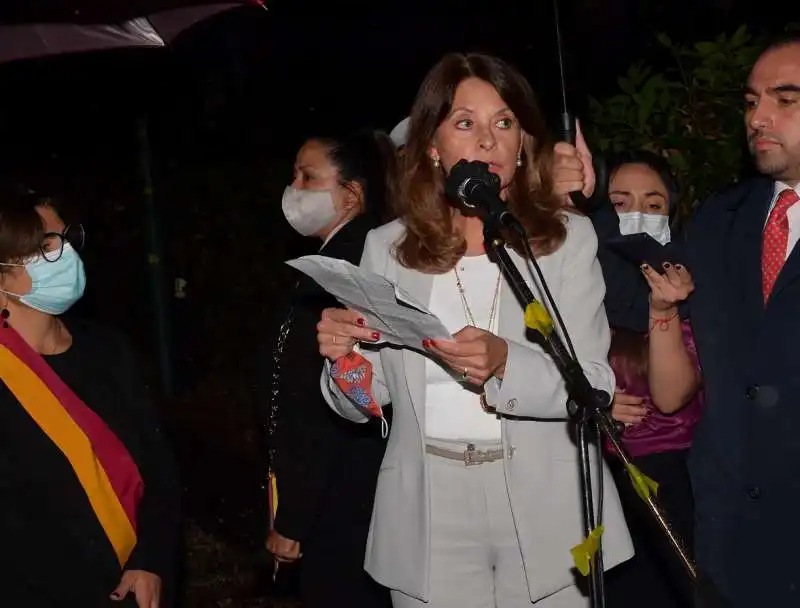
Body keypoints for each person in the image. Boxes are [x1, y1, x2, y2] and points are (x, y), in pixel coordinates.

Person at [315, 52, 633, 608]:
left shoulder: (566, 243)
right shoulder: (385, 250)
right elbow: (369, 397)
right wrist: (344, 361)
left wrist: (507, 362)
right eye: (465, 122)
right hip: (429, 509)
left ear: (522, 145)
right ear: (433, 146)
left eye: (504, 123)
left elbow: (597, 384)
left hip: (547, 507)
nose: (486, 140)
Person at [557, 38, 800, 607]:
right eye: (750, 101)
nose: (758, 117)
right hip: (728, 540)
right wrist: (573, 213)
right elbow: (624, 293)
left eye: (785, 99)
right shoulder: (722, 219)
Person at [0, 188, 181, 607]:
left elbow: (158, 469)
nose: (66, 256)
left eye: (66, 240)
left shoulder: (109, 350)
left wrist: (150, 559)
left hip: (132, 588)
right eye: (47, 246)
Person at [263, 129, 396, 608]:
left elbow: (323, 405)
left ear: (351, 193)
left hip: (341, 498)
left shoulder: (350, 266)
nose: (294, 187)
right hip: (341, 494)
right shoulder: (327, 260)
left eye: (308, 176)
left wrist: (295, 517)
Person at [598, 152, 702, 608]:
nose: (638, 215)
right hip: (589, 479)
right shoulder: (572, 282)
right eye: (620, 203)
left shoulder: (692, 283)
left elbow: (672, 395)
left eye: (653, 204)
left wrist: (663, 310)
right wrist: (587, 398)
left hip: (670, 482)